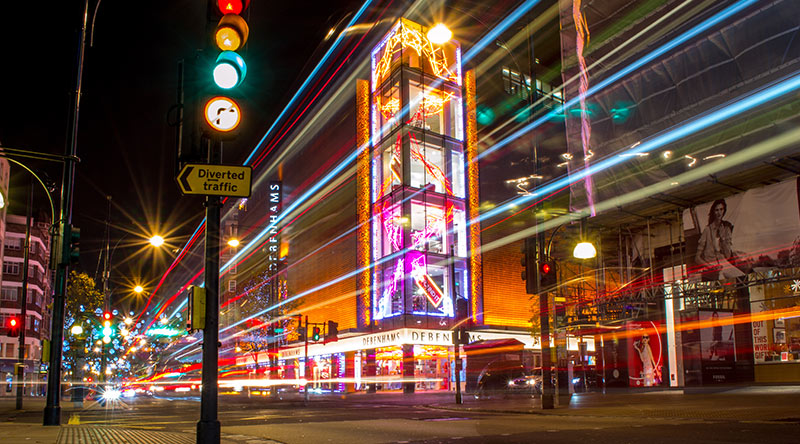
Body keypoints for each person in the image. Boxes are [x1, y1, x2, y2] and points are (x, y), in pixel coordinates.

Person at [695, 199, 745, 280]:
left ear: (724, 210)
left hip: (723, 262)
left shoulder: (726, 228)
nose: (719, 212)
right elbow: (697, 258)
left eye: (721, 209)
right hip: (711, 264)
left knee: (741, 276)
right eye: (716, 210)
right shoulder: (707, 230)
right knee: (720, 280)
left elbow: (728, 255)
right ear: (713, 212)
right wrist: (710, 266)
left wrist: (723, 239)